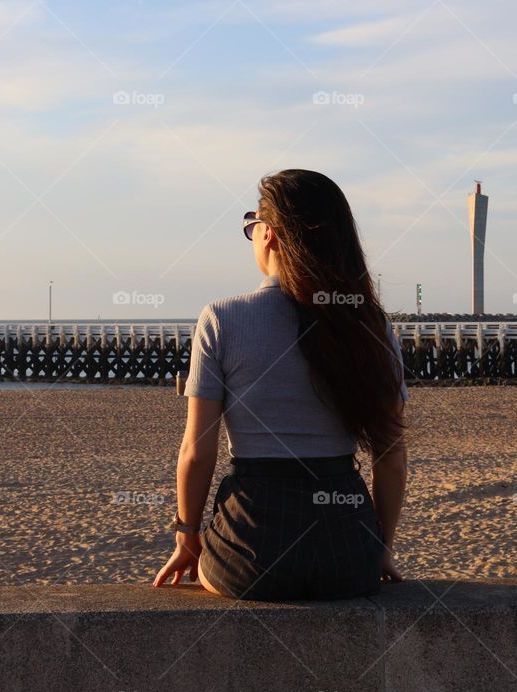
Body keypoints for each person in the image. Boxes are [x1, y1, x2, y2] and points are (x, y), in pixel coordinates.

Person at [153, 169, 408, 601]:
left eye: (252, 224)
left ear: (268, 234)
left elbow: (197, 450)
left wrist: (187, 536)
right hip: (348, 552)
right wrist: (379, 549)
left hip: (252, 549)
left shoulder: (223, 318)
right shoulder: (370, 325)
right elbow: (391, 456)